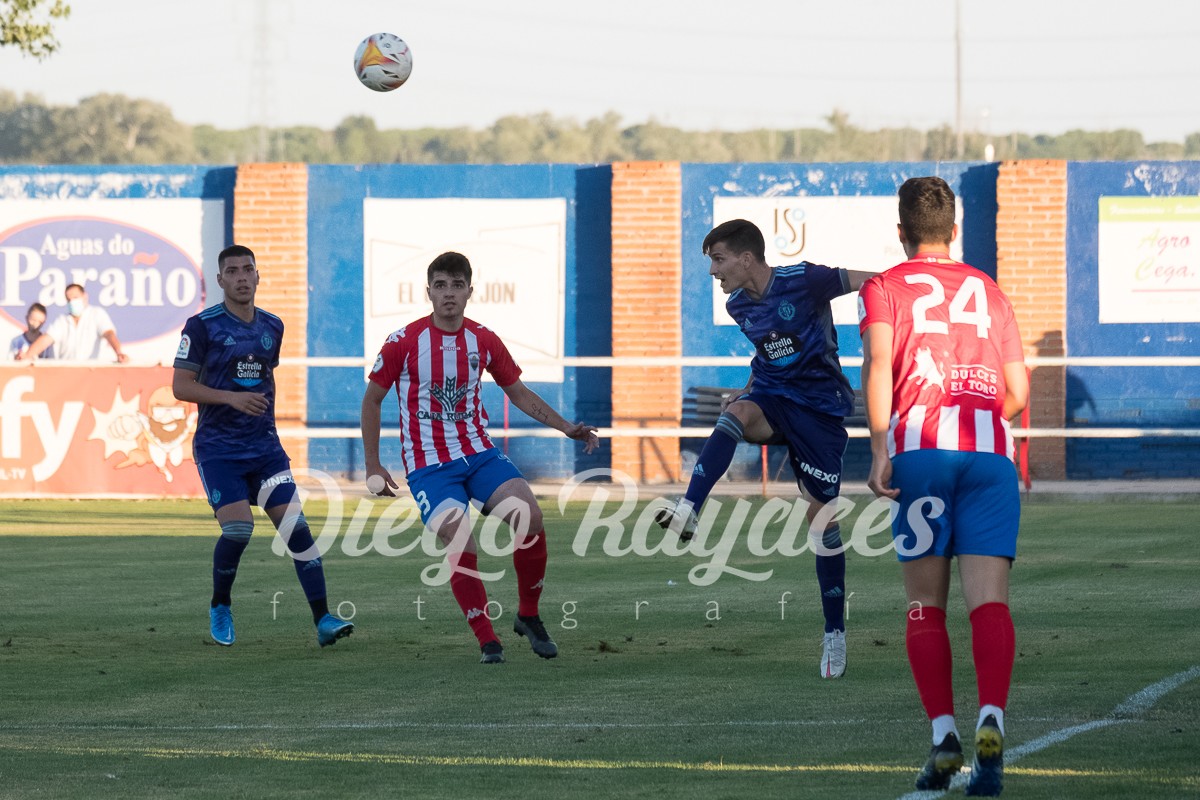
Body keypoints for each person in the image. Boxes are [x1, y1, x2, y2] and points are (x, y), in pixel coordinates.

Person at [858, 176, 1028, 796]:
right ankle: (992, 720)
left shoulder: (882, 287)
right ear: (955, 230)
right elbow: (1018, 394)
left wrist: (880, 449)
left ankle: (943, 737)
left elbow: (880, 366)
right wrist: (977, 424)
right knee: (990, 604)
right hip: (988, 460)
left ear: (901, 233)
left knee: (924, 606)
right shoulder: (990, 290)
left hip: (920, 457)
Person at [655, 218, 875, 679]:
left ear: (746, 258)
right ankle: (688, 509)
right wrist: (748, 389)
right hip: (774, 398)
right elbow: (766, 354)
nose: (714, 272)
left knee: (821, 522)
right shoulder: (739, 305)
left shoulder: (804, 280)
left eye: (718, 260)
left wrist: (913, 290)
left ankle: (834, 631)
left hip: (819, 411)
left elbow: (871, 280)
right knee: (733, 414)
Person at [361, 251, 599, 665]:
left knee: (531, 517)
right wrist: (372, 465)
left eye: (457, 285)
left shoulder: (483, 340)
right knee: (460, 538)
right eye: (440, 285)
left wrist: (566, 427)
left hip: (479, 454)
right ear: (429, 291)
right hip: (429, 466)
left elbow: (519, 393)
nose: (448, 293)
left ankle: (528, 615)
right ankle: (488, 640)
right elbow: (373, 400)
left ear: (470, 291)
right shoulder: (404, 341)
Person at [172, 244, 354, 648]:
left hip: (264, 449)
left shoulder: (273, 326)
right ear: (220, 280)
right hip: (219, 450)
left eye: (247, 269)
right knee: (238, 529)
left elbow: (260, 380)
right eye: (232, 271)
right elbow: (180, 386)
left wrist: (250, 406)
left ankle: (323, 619)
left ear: (258, 276)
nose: (240, 276)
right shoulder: (200, 327)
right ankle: (220, 604)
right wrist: (230, 397)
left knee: (297, 529)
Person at [16, 284, 128, 362]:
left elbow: (109, 333)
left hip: (92, 375)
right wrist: (27, 356)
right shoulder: (62, 320)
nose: (72, 302)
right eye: (68, 300)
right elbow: (46, 339)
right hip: (66, 376)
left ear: (85, 297)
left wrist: (118, 352)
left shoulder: (97, 314)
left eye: (75, 298)